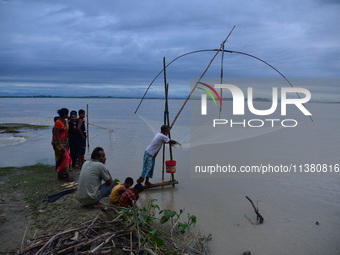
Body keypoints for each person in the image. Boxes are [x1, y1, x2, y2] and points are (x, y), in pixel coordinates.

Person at [51, 108, 73, 181]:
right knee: (65, 157)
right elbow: (56, 134)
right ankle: (66, 175)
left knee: (64, 158)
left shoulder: (65, 121)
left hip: (65, 141)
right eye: (67, 114)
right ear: (64, 115)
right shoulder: (58, 122)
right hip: (58, 142)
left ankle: (61, 175)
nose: (68, 115)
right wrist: (60, 145)